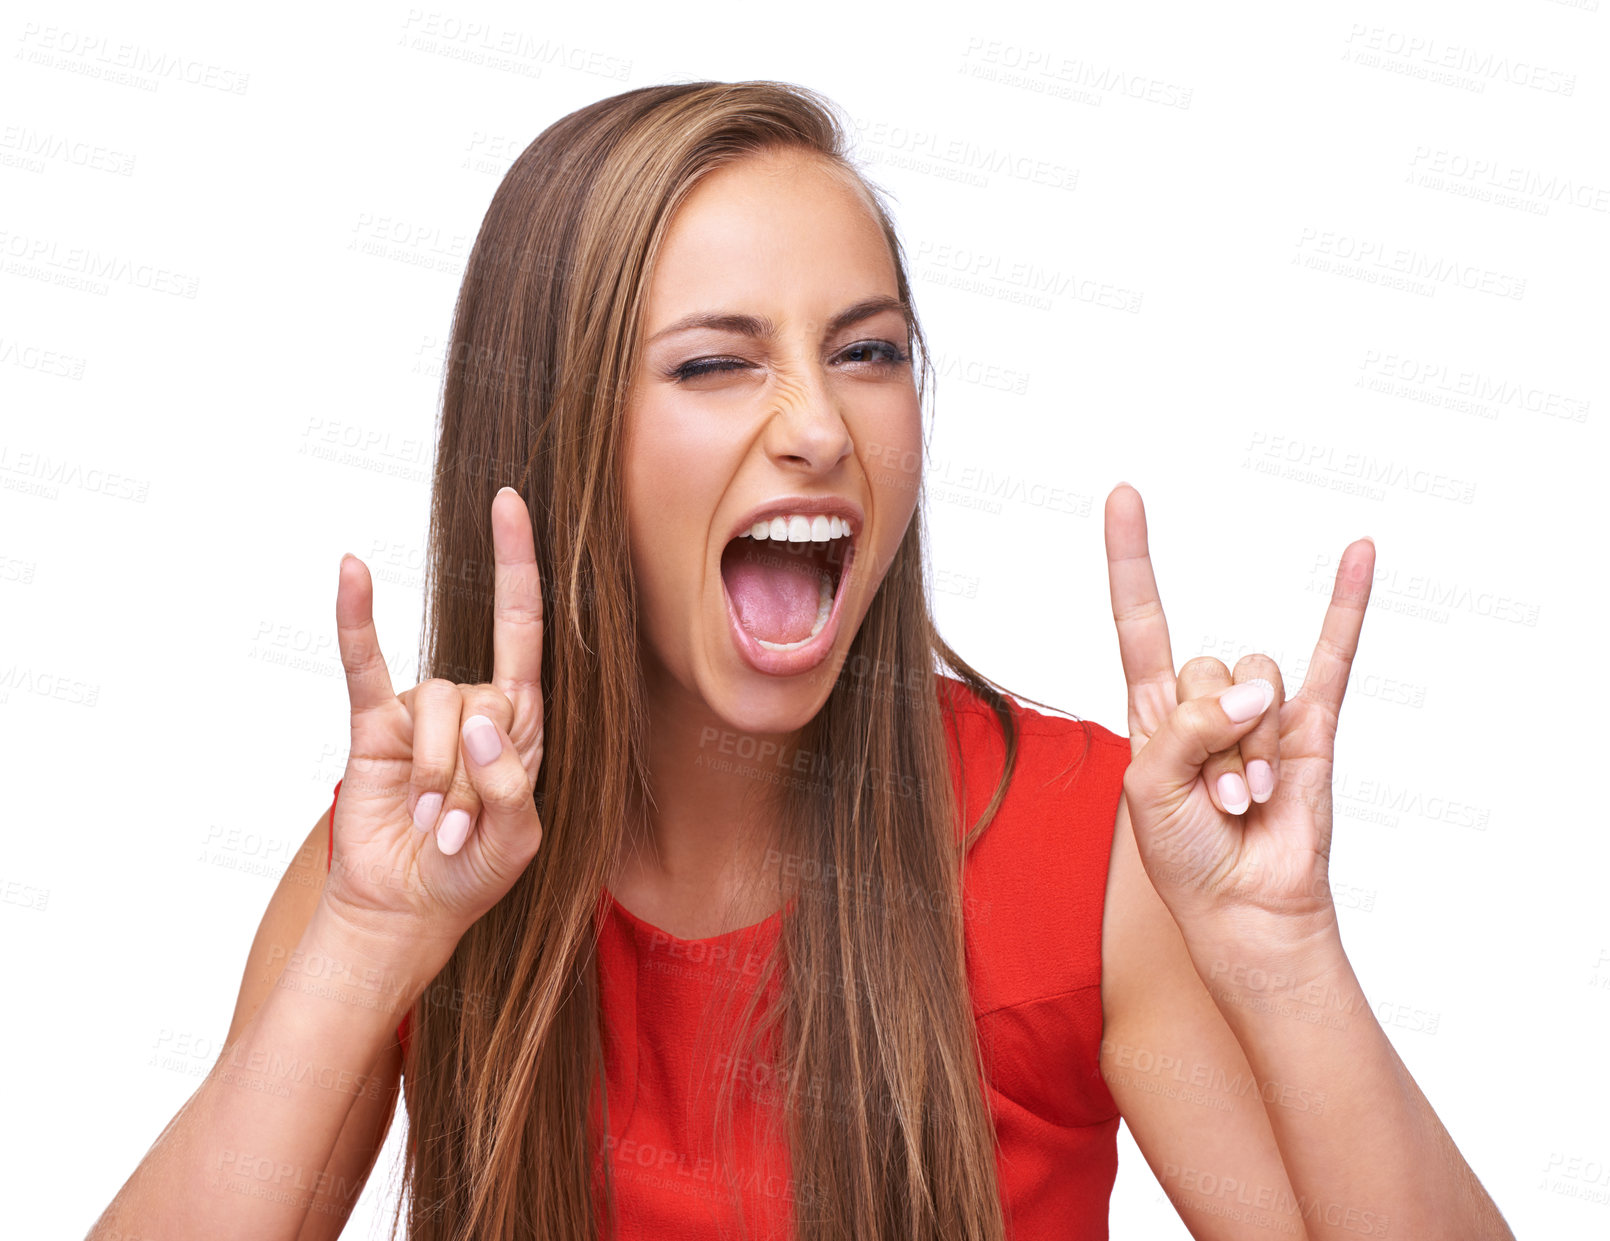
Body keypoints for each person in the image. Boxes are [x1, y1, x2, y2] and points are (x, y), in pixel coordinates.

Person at [89, 80, 1514, 1240]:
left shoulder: (1093, 849)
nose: (818, 425)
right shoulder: (400, 864)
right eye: (717, 364)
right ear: (559, 435)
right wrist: (361, 958)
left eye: (868, 353)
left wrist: (1286, 962)